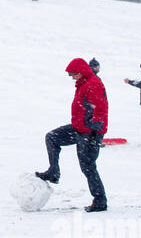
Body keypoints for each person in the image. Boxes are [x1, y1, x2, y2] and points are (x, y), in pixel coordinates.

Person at [35, 58, 108, 212]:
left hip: (90, 132)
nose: (72, 77)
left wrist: (94, 130)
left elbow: (100, 109)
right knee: (52, 137)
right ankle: (53, 172)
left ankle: (100, 201)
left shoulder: (94, 84)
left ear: (81, 72)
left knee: (88, 167)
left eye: (73, 74)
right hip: (79, 128)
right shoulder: (83, 84)